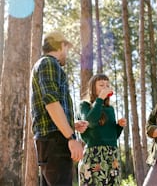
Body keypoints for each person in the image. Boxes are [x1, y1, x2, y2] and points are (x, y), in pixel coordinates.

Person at [30, 31, 88, 186]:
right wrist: (70, 137)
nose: (66, 53)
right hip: (55, 141)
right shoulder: (49, 63)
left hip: (50, 140)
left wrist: (71, 124)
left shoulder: (44, 64)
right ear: (60, 45)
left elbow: (48, 109)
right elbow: (51, 103)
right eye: (66, 48)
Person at [78, 74, 127, 186]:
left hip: (112, 155)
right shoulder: (84, 105)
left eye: (107, 85)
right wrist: (100, 99)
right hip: (94, 154)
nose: (105, 87)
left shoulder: (110, 109)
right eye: (101, 85)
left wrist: (119, 126)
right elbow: (90, 121)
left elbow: (113, 136)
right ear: (92, 88)